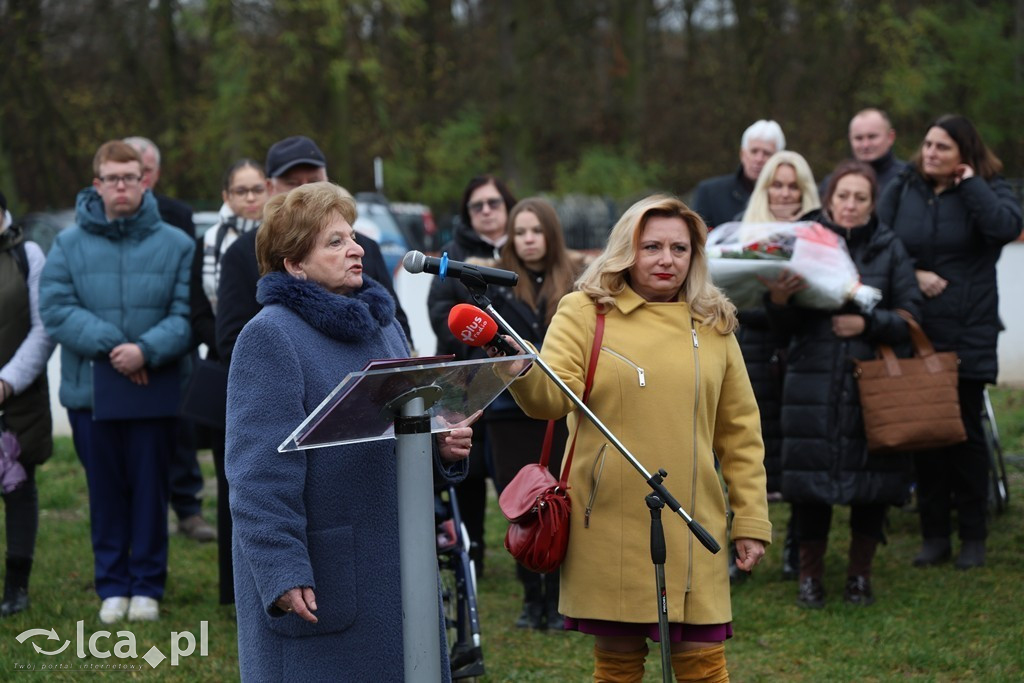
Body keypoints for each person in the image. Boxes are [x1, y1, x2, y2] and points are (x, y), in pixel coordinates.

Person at [504, 194, 771, 681]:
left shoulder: (715, 322)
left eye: (679, 248)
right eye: (651, 247)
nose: (666, 260)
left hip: (693, 520)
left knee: (704, 667)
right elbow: (548, 399)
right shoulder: (585, 312)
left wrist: (751, 518)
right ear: (627, 250)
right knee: (618, 668)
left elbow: (740, 432)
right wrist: (520, 368)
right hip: (608, 520)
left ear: (695, 256)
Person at [225, 181, 472, 680]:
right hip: (327, 569)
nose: (356, 248)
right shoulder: (270, 336)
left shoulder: (381, 325)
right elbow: (256, 474)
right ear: (294, 263)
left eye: (352, 236)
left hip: (397, 557)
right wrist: (281, 568)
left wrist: (440, 443)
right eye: (334, 242)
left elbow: (406, 419)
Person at [39, 140, 194, 623]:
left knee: (151, 489)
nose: (122, 185)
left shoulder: (177, 243)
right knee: (104, 491)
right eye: (112, 178)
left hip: (156, 391)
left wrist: (146, 350)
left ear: (144, 180)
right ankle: (112, 584)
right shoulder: (66, 244)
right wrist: (116, 347)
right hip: (91, 393)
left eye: (130, 176)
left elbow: (187, 315)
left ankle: (147, 585)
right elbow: (56, 308)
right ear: (97, 184)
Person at [764, 160, 921, 608]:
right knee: (811, 485)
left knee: (872, 485)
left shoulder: (890, 248)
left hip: (869, 383)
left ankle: (859, 576)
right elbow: (782, 325)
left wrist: (867, 324)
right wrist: (778, 298)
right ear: (828, 200)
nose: (850, 206)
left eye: (860, 198)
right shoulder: (803, 242)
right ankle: (809, 578)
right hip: (811, 381)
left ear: (873, 203)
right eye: (842, 197)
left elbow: (912, 318)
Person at [877, 114, 1023, 570]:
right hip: (920, 327)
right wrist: (915, 275)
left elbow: (1003, 228)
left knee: (965, 432)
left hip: (969, 328)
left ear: (965, 153)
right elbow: (882, 240)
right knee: (926, 432)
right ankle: (934, 534)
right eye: (928, 145)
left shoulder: (992, 188)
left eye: (943, 147)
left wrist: (971, 185)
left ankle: (974, 534)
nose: (930, 153)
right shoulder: (904, 186)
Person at [478, 198, 582, 629]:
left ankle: (558, 594)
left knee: (559, 501)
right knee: (520, 504)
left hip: (559, 409)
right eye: (520, 232)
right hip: (509, 411)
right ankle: (529, 598)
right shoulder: (494, 286)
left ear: (550, 235)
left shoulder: (575, 283)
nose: (528, 240)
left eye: (536, 231)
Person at [215, 135, 409, 365]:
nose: (307, 189)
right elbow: (235, 343)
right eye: (293, 183)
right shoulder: (241, 253)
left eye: (315, 179)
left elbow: (397, 324)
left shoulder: (366, 247)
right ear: (269, 187)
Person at [124, 135, 215, 544]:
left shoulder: (177, 215)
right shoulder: (108, 216)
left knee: (181, 430)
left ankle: (188, 509)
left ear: (155, 173)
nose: (136, 179)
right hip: (120, 343)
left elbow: (188, 277)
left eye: (143, 171)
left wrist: (159, 342)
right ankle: (134, 514)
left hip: (171, 337)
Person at [426, 174, 517, 576]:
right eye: (477, 205)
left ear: (507, 206)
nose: (486, 211)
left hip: (518, 381)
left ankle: (530, 552)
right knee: (469, 467)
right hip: (467, 375)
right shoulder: (454, 254)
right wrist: (481, 343)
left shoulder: (525, 246)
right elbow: (440, 312)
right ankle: (472, 551)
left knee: (514, 467)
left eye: (493, 203)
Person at [736, 150, 821, 582]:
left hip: (805, 353)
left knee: (798, 453)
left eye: (793, 185)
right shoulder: (740, 233)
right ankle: (740, 546)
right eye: (777, 184)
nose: (785, 193)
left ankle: (794, 547)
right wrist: (771, 305)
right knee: (744, 449)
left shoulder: (820, 235)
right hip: (751, 349)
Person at [187, 158, 267, 605]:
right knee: (230, 484)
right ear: (226, 196)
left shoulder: (281, 235)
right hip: (226, 368)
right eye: (242, 191)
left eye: (258, 189)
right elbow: (199, 309)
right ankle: (231, 591)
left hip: (264, 360)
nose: (252, 198)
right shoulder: (210, 244)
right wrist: (224, 344)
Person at [0, 191, 56, 617]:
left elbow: (44, 327)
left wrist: (7, 381)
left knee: (19, 489)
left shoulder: (27, 254)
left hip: (16, 399)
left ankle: (16, 586)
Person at [691, 120, 786, 228]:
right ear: (742, 154)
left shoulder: (788, 197)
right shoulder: (710, 193)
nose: (759, 159)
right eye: (754, 151)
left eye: (767, 153)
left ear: (779, 158)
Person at [819, 109, 907, 196]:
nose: (865, 145)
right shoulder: (832, 184)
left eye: (872, 137)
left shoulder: (907, 180)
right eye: (859, 138)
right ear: (850, 139)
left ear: (890, 137)